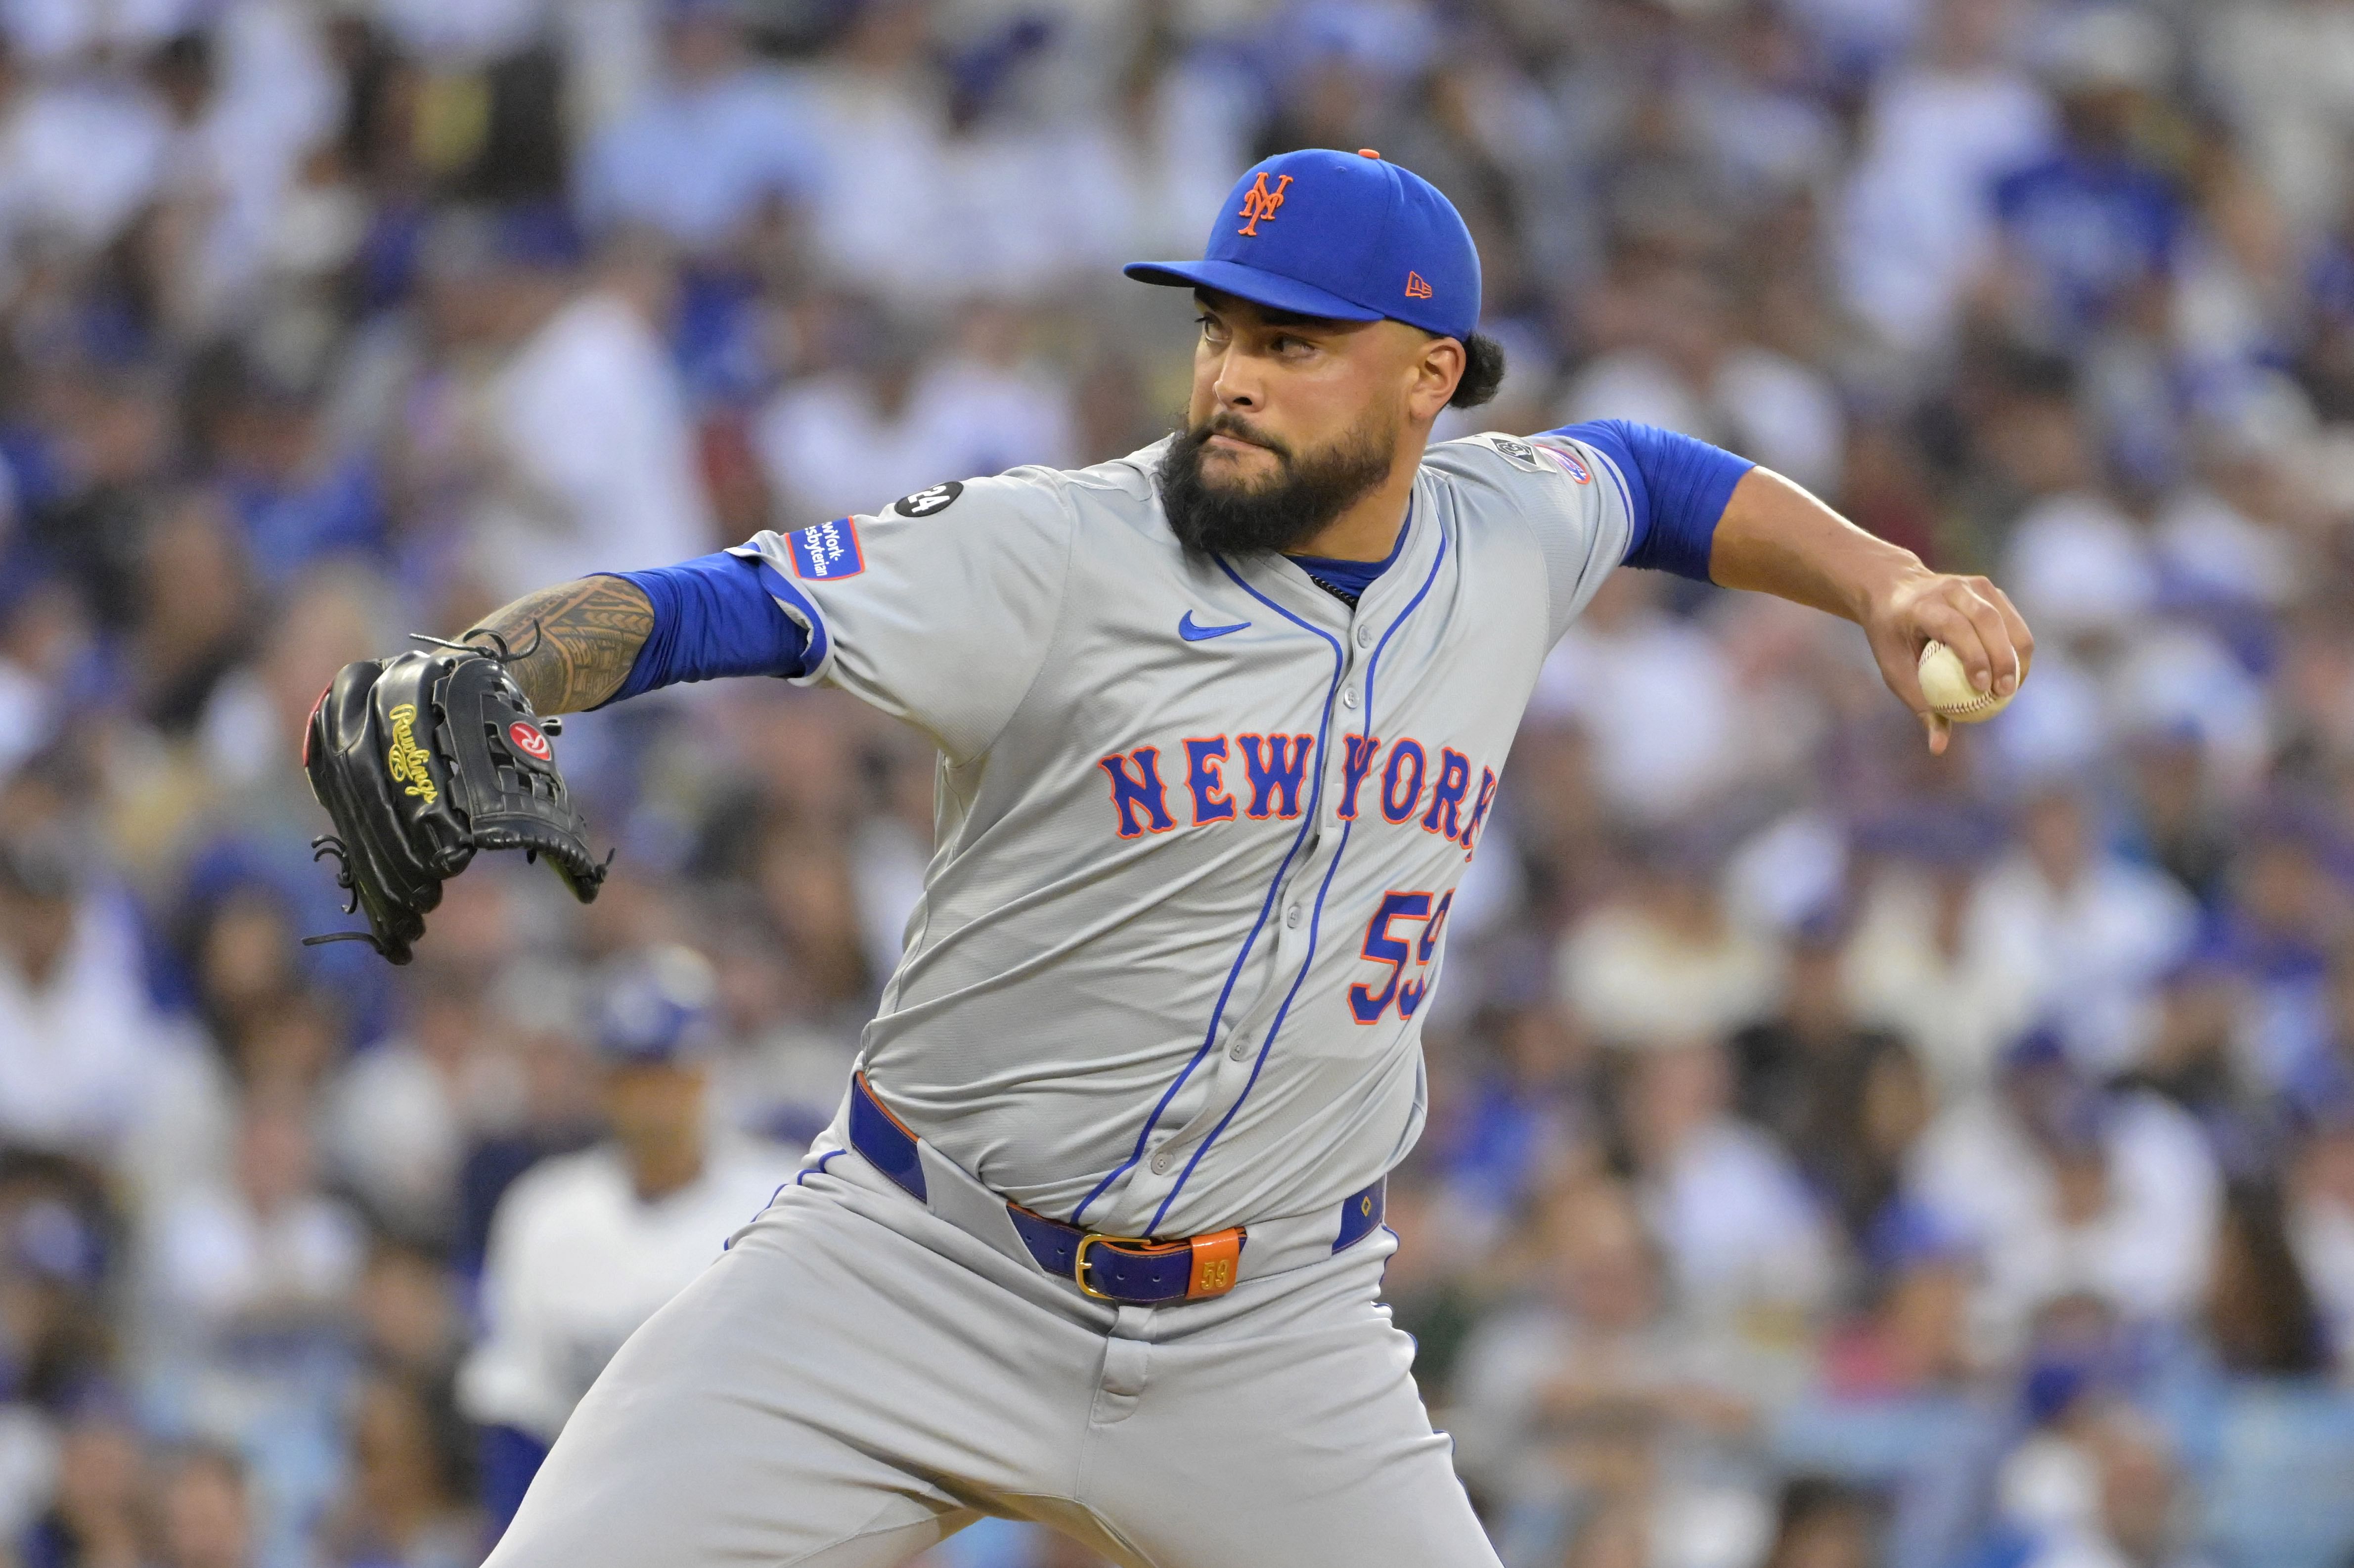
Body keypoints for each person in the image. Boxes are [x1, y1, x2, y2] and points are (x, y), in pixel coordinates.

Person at [375, 150, 2031, 1567]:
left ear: (1428, 378)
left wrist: (1882, 580)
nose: (1231, 373)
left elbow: (1656, 481)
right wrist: (498, 667)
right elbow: (732, 603)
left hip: (1270, 1336)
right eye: (1219, 328)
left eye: (1292, 342)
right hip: (911, 1267)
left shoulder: (1508, 530)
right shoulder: (1058, 547)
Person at [456, 946, 797, 1528]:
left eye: (667, 1074)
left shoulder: (784, 1201)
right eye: (633, 1077)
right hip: (592, 1521)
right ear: (605, 1085)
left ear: (703, 1075)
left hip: (748, 1516)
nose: (651, 1102)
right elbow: (516, 1407)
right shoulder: (544, 1213)